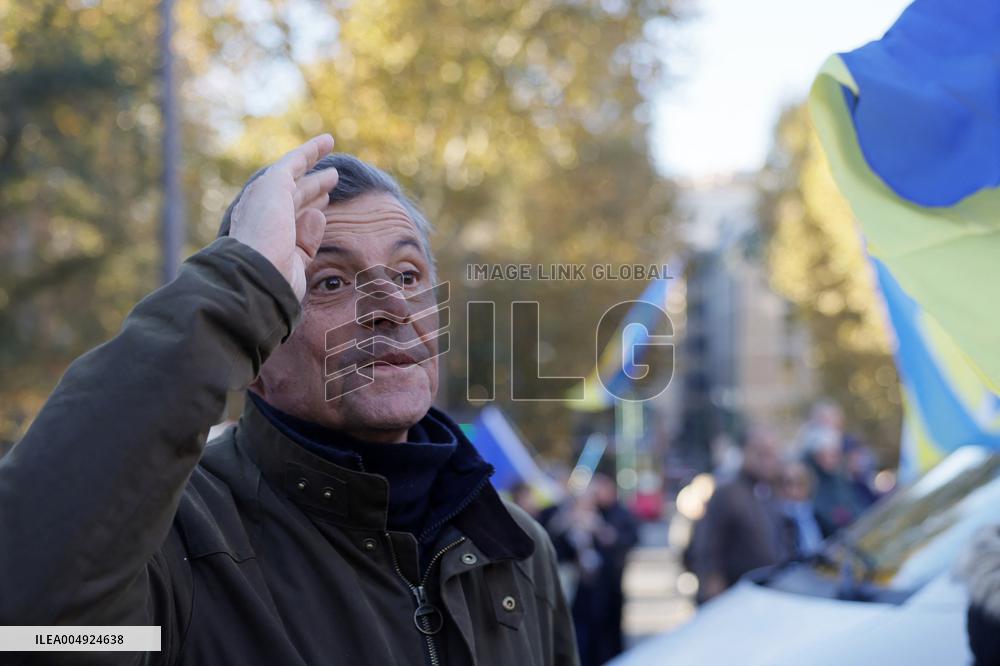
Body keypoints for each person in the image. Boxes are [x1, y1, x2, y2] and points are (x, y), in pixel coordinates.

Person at [0, 137, 578, 665]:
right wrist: (236, 284)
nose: (393, 308)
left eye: (407, 275)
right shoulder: (176, 546)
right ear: (255, 346)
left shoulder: (515, 550)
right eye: (329, 281)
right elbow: (29, 623)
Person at [688, 428, 787, 603]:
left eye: (772, 454)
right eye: (761, 453)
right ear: (745, 452)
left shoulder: (771, 493)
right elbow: (706, 546)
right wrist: (712, 584)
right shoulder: (727, 493)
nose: (767, 461)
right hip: (735, 596)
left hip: (766, 594)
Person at [803, 426, 866, 537]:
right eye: (828, 454)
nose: (833, 459)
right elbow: (825, 516)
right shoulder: (811, 481)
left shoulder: (838, 476)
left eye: (835, 454)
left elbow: (853, 503)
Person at [776, 460, 824, 558]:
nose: (794, 491)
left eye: (800, 484)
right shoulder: (778, 518)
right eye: (789, 484)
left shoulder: (812, 511)